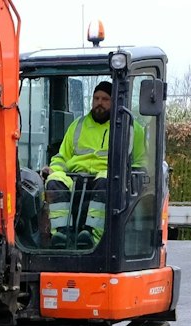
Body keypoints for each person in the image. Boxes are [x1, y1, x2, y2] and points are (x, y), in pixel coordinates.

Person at [43, 81, 147, 246]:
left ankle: (92, 235)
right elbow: (62, 157)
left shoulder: (132, 129)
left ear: (115, 101)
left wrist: (126, 175)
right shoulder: (77, 126)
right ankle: (62, 234)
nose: (99, 103)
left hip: (109, 179)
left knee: (106, 178)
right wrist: (53, 169)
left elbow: (140, 162)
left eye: (105, 99)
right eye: (96, 98)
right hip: (76, 179)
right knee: (54, 181)